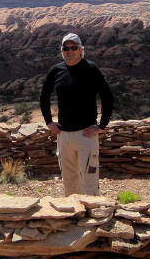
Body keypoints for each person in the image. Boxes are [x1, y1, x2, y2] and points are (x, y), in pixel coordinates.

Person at [40, 33, 113, 196]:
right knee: (69, 179)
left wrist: (102, 125)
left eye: (74, 47)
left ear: (81, 50)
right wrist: (48, 121)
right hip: (63, 134)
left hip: (86, 134)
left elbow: (107, 96)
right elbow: (44, 96)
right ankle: (74, 214)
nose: (70, 51)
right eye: (66, 48)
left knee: (90, 179)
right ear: (62, 50)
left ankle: (93, 215)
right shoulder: (56, 70)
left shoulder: (91, 69)